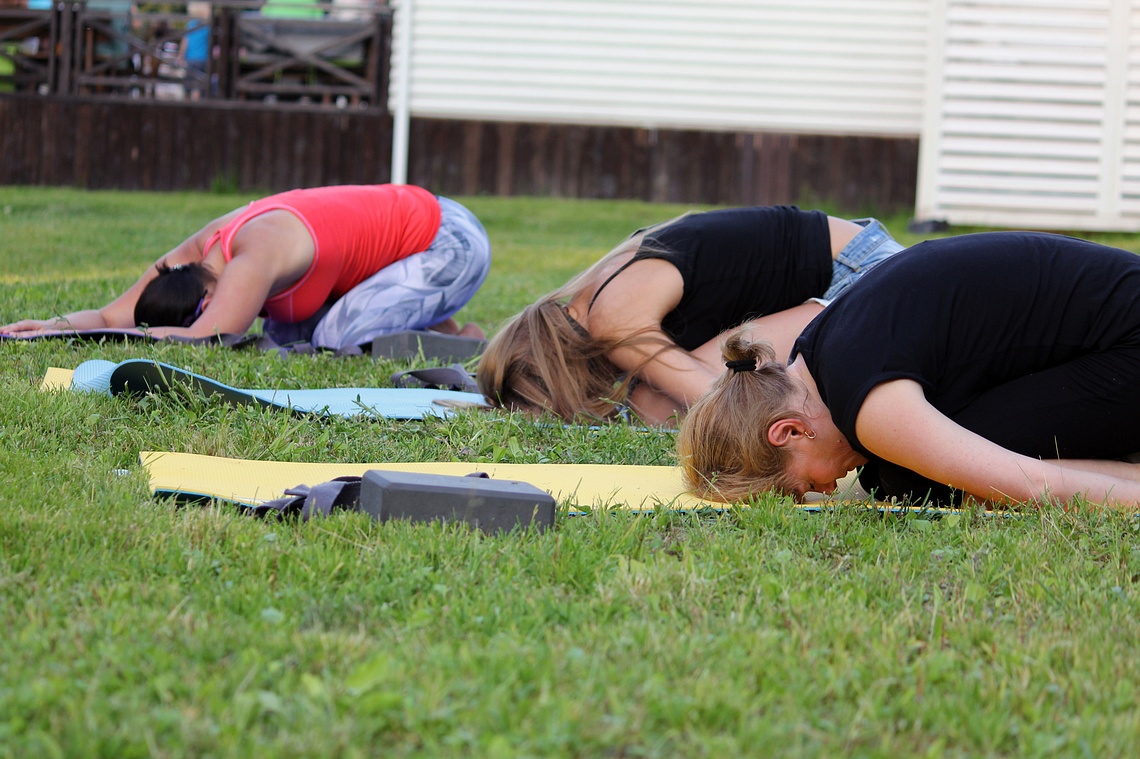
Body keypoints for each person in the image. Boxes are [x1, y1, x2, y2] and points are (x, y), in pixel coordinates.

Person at [678, 231, 1140, 509]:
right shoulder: (819, 354)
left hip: (1128, 345)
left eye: (800, 488)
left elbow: (1028, 484)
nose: (826, 489)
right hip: (1114, 340)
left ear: (789, 432)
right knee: (894, 477)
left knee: (920, 481)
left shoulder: (867, 400)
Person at [476, 205, 906, 424]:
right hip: (861, 265)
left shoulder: (611, 318)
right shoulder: (600, 295)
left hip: (868, 275)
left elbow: (720, 400)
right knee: (660, 391)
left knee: (661, 402)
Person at [0, 184, 491, 350]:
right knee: (285, 338)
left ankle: (465, 342)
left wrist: (162, 337)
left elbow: (209, 338)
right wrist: (52, 327)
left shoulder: (251, 257)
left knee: (333, 341)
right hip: (398, 250)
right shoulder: (195, 255)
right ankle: (441, 324)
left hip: (448, 240)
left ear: (208, 300)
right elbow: (114, 317)